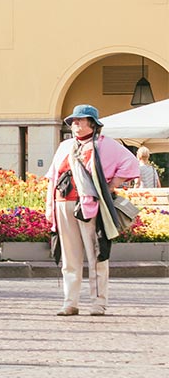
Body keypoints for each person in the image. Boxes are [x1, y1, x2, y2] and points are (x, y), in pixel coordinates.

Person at [45, 105, 142, 316]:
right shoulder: (65, 146)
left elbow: (131, 163)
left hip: (89, 205)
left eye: (80, 120)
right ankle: (70, 302)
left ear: (92, 123)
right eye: (73, 121)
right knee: (70, 258)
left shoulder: (105, 145)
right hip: (63, 203)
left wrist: (111, 184)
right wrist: (49, 207)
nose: (75, 124)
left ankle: (98, 303)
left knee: (96, 255)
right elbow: (53, 178)